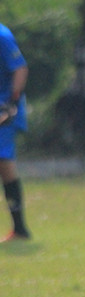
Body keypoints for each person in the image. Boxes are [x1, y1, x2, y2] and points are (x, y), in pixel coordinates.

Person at [0, 23, 30, 241]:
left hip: (4, 110)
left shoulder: (1, 35)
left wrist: (11, 102)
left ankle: (20, 229)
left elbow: (20, 68)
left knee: (4, 162)